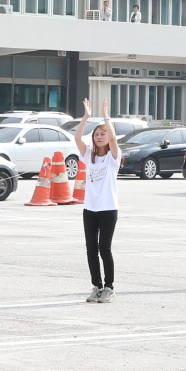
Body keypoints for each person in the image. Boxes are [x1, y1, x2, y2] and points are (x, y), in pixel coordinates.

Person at [74, 98, 121, 303]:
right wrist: (86, 117)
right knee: (91, 248)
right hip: (90, 208)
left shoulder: (113, 157)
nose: (100, 137)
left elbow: (113, 139)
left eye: (103, 134)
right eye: (96, 134)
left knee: (105, 248)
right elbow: (77, 138)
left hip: (108, 208)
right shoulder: (89, 156)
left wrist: (105, 116)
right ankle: (96, 286)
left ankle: (109, 287)